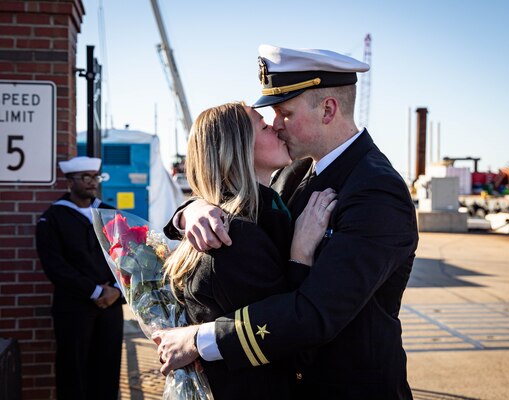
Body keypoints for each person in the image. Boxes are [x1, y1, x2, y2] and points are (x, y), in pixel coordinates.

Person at [156, 45, 419, 399]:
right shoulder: (296, 171)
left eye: (285, 112)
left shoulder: (375, 190)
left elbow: (316, 312)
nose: (276, 125)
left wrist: (199, 339)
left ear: (328, 109)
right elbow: (243, 197)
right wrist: (193, 209)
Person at [156, 102, 336, 399]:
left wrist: (189, 210)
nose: (277, 127)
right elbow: (289, 341)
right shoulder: (234, 237)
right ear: (238, 148)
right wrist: (301, 255)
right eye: (264, 126)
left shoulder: (254, 215)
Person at [36, 156, 123, 400]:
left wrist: (116, 289)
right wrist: (96, 291)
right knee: (73, 371)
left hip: (111, 307)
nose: (92, 182)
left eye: (95, 176)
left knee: (108, 368)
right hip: (74, 307)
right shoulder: (53, 218)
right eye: (85, 177)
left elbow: (127, 256)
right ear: (69, 181)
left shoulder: (108, 214)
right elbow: (55, 266)